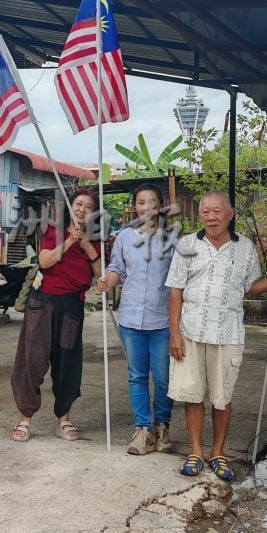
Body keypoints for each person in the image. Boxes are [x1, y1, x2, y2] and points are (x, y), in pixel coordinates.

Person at [166, 191, 267, 480]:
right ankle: (195, 451)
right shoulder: (187, 245)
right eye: (205, 211)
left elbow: (249, 287)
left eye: (217, 211)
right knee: (192, 395)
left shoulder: (245, 247)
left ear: (229, 214)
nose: (211, 217)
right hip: (191, 332)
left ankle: (218, 453)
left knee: (222, 397)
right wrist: (174, 333)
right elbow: (175, 290)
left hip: (228, 332)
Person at [10, 188, 103, 443]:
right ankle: (25, 419)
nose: (82, 209)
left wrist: (84, 244)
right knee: (33, 359)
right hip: (44, 302)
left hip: (72, 306)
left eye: (88, 206)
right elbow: (46, 261)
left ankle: (64, 419)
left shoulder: (94, 238)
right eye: (78, 204)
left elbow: (100, 273)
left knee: (67, 362)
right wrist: (71, 241)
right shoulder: (54, 230)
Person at [98, 184, 178, 455]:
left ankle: (162, 426)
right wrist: (107, 282)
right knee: (136, 375)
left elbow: (179, 278)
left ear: (160, 206)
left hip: (163, 319)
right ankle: (143, 429)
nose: (146, 206)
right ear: (135, 207)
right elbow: (116, 268)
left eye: (152, 201)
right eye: (141, 202)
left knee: (163, 376)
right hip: (131, 318)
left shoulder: (172, 239)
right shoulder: (123, 238)